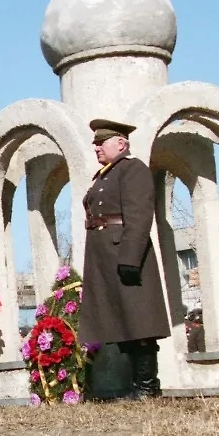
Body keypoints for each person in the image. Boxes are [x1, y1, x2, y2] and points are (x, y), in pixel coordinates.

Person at [78, 119, 171, 399]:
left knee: (139, 322)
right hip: (104, 258)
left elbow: (139, 215)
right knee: (120, 321)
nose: (96, 147)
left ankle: (147, 387)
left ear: (121, 143)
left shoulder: (133, 169)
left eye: (101, 142)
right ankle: (137, 385)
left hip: (124, 254)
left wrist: (130, 257)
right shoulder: (104, 176)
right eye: (95, 143)